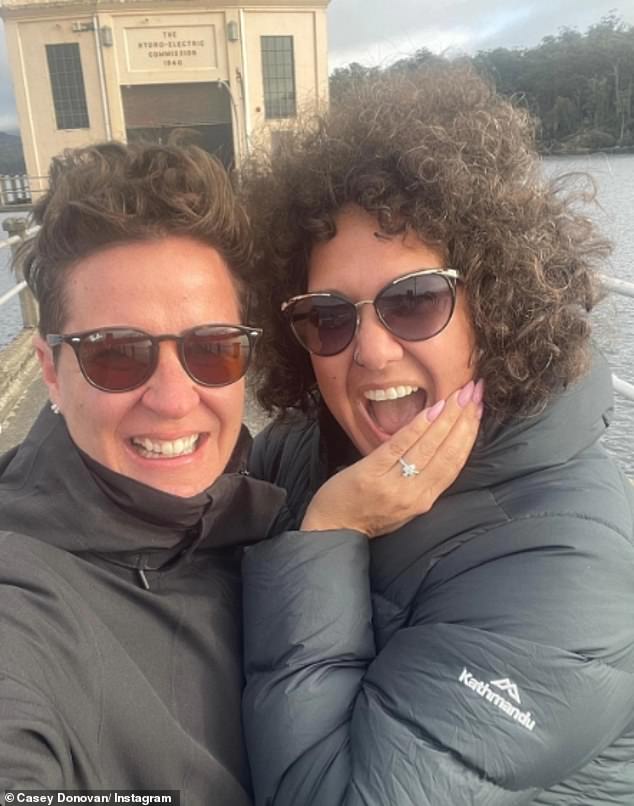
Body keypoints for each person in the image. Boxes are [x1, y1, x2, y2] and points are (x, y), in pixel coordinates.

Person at [0, 141, 475, 799]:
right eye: (115, 355)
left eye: (213, 349)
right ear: (50, 370)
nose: (172, 399)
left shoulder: (253, 511)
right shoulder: (21, 610)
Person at [240, 65, 634, 804]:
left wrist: (329, 531)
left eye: (413, 301)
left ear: (495, 300)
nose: (369, 351)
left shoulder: (567, 564)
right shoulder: (308, 445)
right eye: (328, 315)